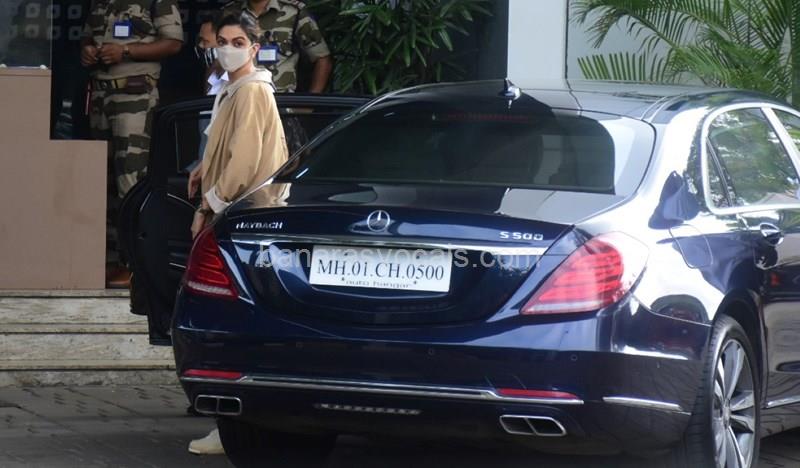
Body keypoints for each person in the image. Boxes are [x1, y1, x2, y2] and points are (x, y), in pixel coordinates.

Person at [187, 13, 288, 456]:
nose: (227, 48)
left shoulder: (249, 90)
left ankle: (233, 424)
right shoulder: (235, 88)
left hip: (242, 217)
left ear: (255, 47)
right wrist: (203, 168)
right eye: (222, 41)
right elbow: (226, 147)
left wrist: (208, 204)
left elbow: (244, 161)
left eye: (238, 41)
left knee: (231, 322)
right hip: (241, 215)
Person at [81, 0, 183, 288]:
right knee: (101, 183)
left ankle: (135, 265)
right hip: (100, 96)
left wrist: (126, 51)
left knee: (131, 182)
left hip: (135, 95)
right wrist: (87, 50)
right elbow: (88, 36)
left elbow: (173, 43)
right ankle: (108, 260)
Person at [221, 0, 332, 93]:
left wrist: (310, 104)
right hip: (239, 97)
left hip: (282, 103)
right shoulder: (229, 12)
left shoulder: (294, 12)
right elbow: (217, 57)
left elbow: (322, 58)